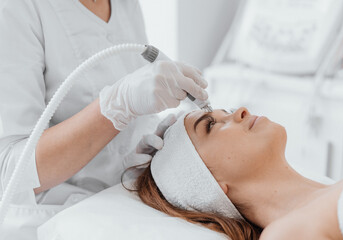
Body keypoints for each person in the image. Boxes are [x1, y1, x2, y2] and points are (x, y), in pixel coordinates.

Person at [0, 0, 208, 238]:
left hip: (123, 203)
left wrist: (144, 152)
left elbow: (132, 121)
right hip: (56, 217)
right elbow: (10, 171)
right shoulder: (15, 9)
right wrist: (116, 104)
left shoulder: (125, 5)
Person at [129, 107, 343, 240]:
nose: (241, 110)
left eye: (226, 111)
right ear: (210, 185)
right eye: (211, 125)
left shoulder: (336, 190)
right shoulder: (285, 233)